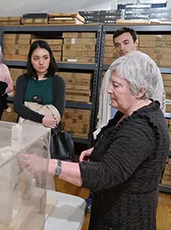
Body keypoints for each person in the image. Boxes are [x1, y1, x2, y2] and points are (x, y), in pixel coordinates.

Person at [21, 51, 169, 230]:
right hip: (109, 211)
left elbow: (105, 173)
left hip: (124, 220)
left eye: (116, 85)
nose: (109, 90)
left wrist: (48, 165)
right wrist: (99, 150)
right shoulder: (128, 112)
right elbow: (121, 148)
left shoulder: (142, 127)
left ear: (140, 91)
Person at [94, 27, 166, 138]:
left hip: (138, 129)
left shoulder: (149, 69)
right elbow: (105, 102)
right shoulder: (112, 70)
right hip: (114, 127)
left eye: (126, 42)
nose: (122, 48)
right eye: (117, 45)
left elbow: (157, 100)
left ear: (136, 42)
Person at [13, 40, 65, 129]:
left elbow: (58, 113)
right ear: (30, 60)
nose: (41, 62)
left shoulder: (58, 82)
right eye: (36, 58)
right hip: (25, 131)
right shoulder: (22, 80)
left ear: (50, 58)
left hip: (49, 133)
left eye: (45, 57)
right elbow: (18, 107)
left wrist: (28, 108)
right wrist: (42, 119)